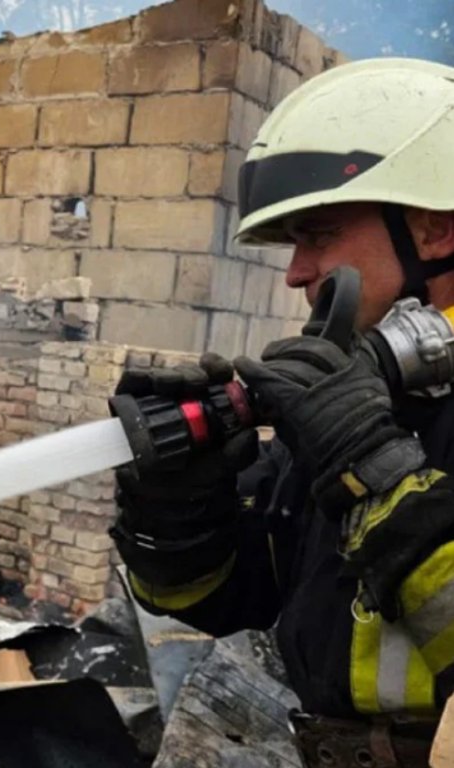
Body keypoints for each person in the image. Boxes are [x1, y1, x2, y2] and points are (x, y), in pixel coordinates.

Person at [112, 58, 454, 767]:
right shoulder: (359, 401)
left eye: (319, 234)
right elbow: (234, 599)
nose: (296, 272)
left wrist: (376, 471)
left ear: (435, 230)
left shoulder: (356, 426)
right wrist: (178, 509)